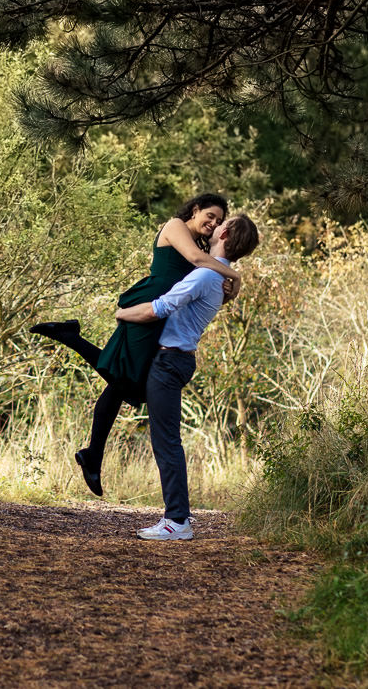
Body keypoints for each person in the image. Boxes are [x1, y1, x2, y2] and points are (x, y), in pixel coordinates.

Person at [31, 193, 241, 496]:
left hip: (163, 314)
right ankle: (70, 340)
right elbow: (196, 262)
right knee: (126, 382)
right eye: (210, 215)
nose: (213, 223)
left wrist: (227, 283)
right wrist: (234, 273)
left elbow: (206, 284)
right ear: (195, 210)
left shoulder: (203, 251)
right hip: (150, 304)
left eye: (219, 221)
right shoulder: (175, 226)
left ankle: (93, 453)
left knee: (122, 382)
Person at [117, 214, 260, 540]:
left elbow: (157, 309)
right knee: (166, 440)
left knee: (166, 442)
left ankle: (177, 521)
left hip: (170, 363)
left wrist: (121, 312)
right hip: (173, 361)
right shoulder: (214, 278)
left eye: (222, 222)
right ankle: (177, 517)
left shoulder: (206, 276)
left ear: (224, 232)